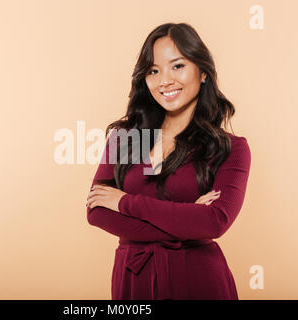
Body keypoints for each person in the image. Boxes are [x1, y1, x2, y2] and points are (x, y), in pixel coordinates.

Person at [85, 23, 251, 300]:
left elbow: (214, 222)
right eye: (153, 70)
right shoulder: (127, 138)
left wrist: (124, 202)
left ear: (204, 73)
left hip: (199, 280)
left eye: (177, 66)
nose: (164, 80)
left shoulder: (230, 148)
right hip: (133, 280)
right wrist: (187, 220)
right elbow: (96, 212)